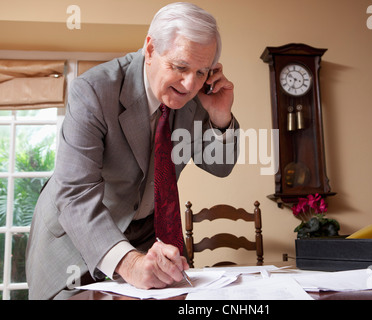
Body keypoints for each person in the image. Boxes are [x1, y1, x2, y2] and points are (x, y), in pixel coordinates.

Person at [25, 2, 239, 300]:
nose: (190, 83)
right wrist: (129, 263)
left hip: (146, 236)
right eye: (180, 67)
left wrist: (220, 116)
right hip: (76, 236)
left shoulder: (197, 98)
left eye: (202, 71)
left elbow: (220, 165)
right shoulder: (94, 90)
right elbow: (74, 193)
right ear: (150, 49)